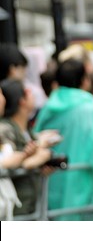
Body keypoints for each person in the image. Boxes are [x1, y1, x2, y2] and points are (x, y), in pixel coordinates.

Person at [33, 59, 93, 220]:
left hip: (51, 185)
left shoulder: (47, 108)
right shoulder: (91, 111)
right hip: (82, 184)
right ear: (84, 81)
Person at [0, 79, 60, 218]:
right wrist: (40, 152)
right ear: (22, 100)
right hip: (17, 207)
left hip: (30, 204)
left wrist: (39, 161)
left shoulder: (28, 129)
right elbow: (14, 162)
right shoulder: (5, 129)